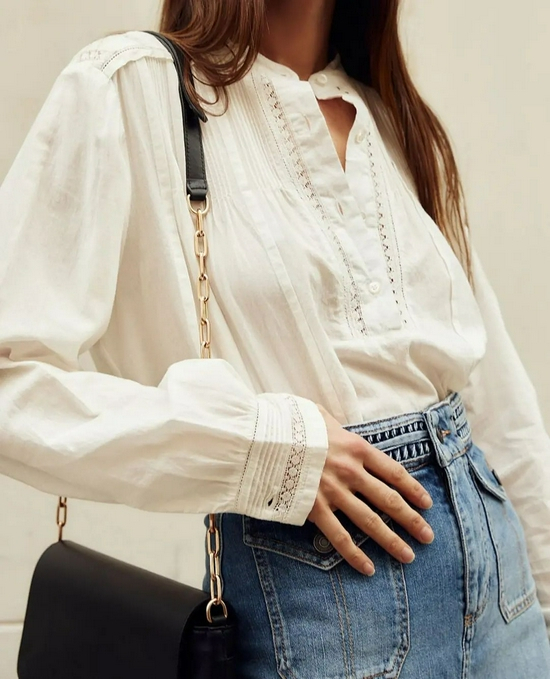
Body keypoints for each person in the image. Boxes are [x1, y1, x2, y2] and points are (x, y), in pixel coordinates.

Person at [0, 0, 549, 676]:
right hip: (329, 615)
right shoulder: (130, 89)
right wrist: (265, 449)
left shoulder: (395, 120)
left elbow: (499, 412)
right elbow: (10, 380)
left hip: (506, 609)